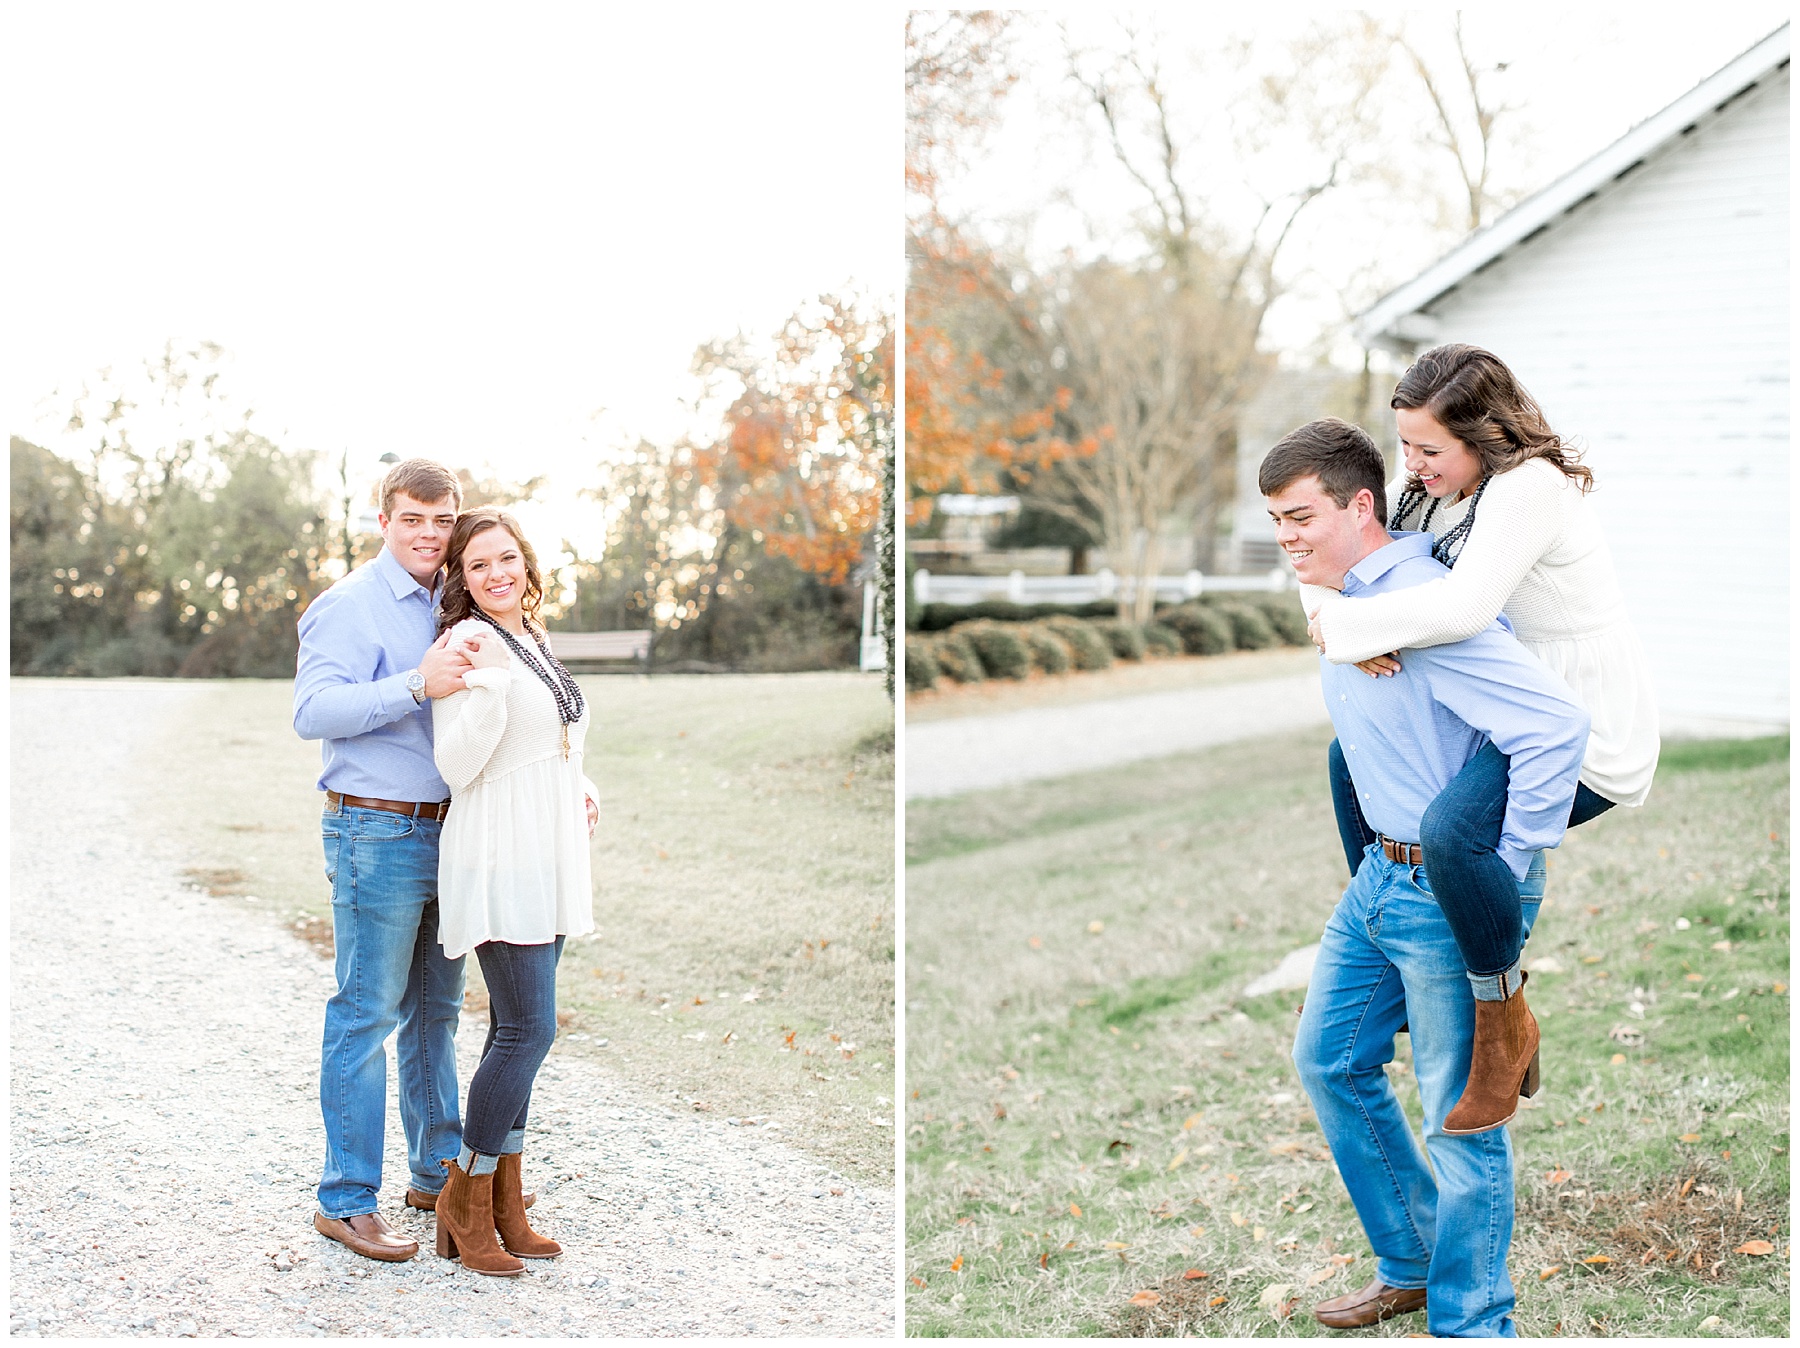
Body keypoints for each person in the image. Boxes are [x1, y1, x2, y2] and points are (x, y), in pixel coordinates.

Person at [1262, 419, 1589, 1336]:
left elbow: (1557, 730)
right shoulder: (1353, 601)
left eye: (1300, 519)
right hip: (1378, 882)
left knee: (1462, 1116)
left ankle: (1474, 1320)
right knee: (1329, 1059)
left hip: (1446, 893)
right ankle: (1410, 1258)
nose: (1287, 539)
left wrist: (1507, 869)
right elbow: (1325, 593)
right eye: (1275, 523)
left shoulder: (1426, 605)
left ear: (1360, 505)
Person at [1299, 345, 1659, 1133]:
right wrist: (1329, 615)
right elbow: (1335, 563)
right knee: (1347, 764)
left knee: (1454, 832)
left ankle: (1504, 1020)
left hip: (1581, 720)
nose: (1413, 465)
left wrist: (1346, 627)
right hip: (1501, 707)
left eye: (1429, 449)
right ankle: (1396, 944)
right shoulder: (1433, 493)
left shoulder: (1530, 487)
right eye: (1405, 446)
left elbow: (1459, 609)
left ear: (1485, 436)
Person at [293, 459, 472, 1262]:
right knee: (365, 1014)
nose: (429, 535)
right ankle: (345, 1198)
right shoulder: (348, 607)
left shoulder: (457, 600)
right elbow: (311, 712)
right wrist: (413, 685)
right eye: (413, 519)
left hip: (455, 831)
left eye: (442, 521)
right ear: (384, 521)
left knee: (435, 1014)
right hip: (376, 833)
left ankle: (437, 1174)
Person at [426, 506, 598, 1276]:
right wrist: (488, 689)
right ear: (461, 581)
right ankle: (463, 1198)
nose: (498, 575)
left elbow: (553, 734)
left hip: (548, 846)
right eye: (478, 566)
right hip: (501, 851)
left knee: (515, 1030)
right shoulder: (467, 644)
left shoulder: (533, 636)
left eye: (507, 559)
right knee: (530, 1029)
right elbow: (458, 766)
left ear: (525, 561)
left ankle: (504, 1202)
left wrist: (582, 782)